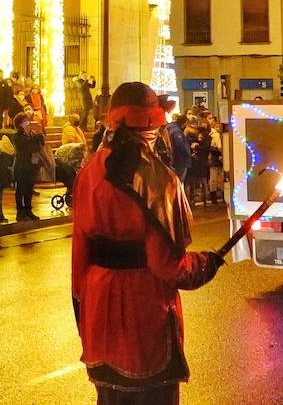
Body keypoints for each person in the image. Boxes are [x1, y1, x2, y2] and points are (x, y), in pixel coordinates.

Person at [72, 82, 224, 402]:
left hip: (99, 307)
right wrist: (205, 264)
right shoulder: (158, 179)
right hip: (143, 312)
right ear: (151, 125)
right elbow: (168, 266)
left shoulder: (88, 172)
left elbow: (79, 255)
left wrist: (85, 312)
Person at [12, 112, 45, 222]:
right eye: (25, 122)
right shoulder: (17, 136)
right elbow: (25, 147)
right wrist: (28, 136)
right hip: (21, 167)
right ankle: (20, 212)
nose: (28, 124)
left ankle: (28, 210)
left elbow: (40, 145)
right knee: (20, 190)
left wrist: (39, 134)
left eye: (28, 121)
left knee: (29, 190)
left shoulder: (32, 135)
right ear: (20, 124)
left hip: (31, 167)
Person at [167, 115, 191, 183]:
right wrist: (187, 154)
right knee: (179, 181)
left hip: (175, 160)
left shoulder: (171, 128)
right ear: (185, 122)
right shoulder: (177, 132)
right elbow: (180, 146)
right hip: (180, 160)